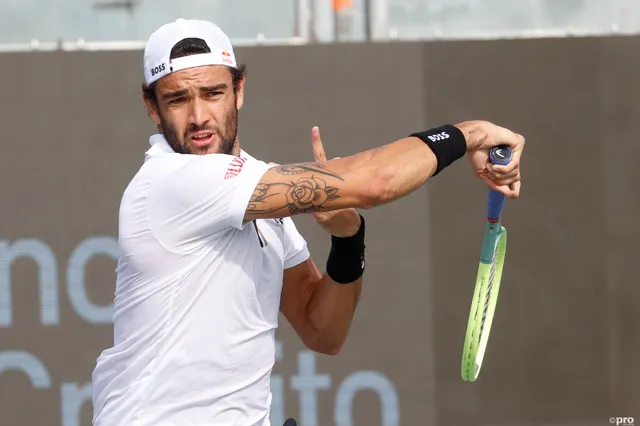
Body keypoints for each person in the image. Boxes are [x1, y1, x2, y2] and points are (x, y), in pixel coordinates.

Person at [91, 18, 525, 426]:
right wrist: (470, 134)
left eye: (213, 93)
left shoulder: (253, 186)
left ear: (239, 90)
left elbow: (323, 331)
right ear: (151, 107)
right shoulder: (173, 181)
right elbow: (376, 181)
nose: (199, 115)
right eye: (178, 99)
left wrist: (348, 238)